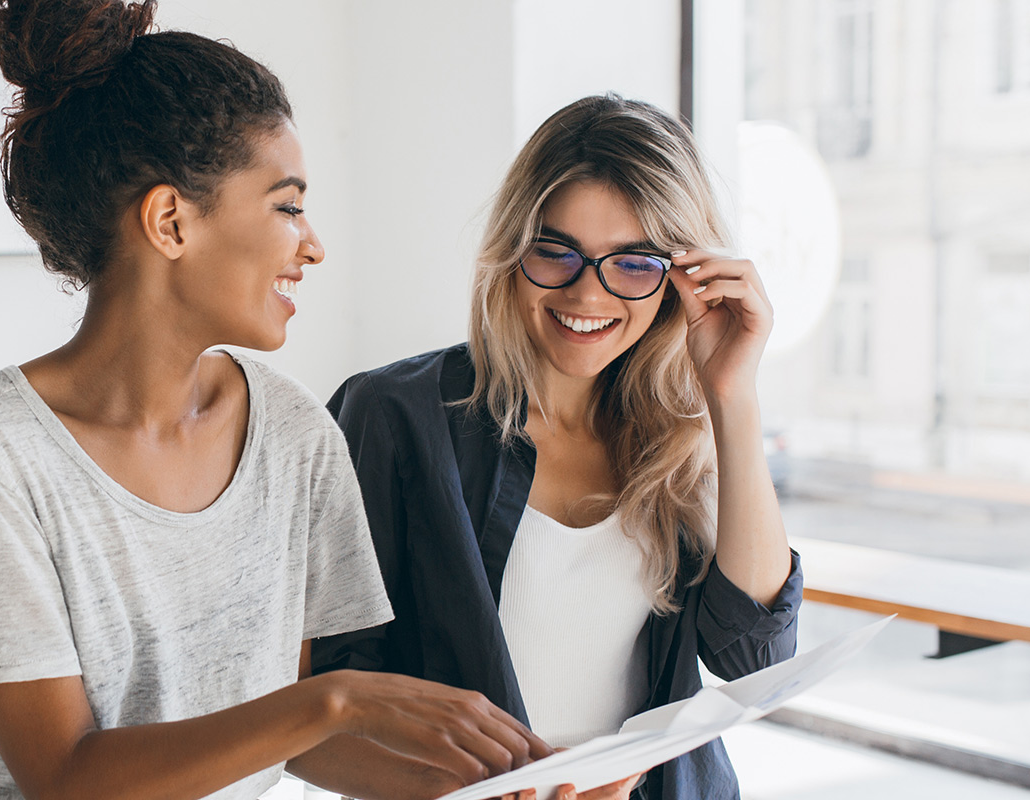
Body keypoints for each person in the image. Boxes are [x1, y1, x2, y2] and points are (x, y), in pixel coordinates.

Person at [0, 1, 556, 798]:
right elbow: (65, 779)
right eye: (287, 205)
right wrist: (333, 702)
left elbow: (285, 747)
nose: (312, 245)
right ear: (170, 220)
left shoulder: (295, 434)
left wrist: (510, 785)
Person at [311, 94, 805, 800]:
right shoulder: (391, 415)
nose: (586, 294)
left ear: (679, 279)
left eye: (632, 263)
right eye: (555, 252)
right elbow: (322, 704)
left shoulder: (683, 435)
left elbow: (753, 660)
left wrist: (732, 395)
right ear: (512, 250)